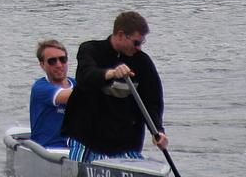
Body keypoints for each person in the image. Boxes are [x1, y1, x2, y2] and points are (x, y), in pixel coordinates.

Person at [61, 11, 168, 162]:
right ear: (121, 35)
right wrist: (111, 74)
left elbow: (152, 101)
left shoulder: (143, 62)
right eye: (136, 43)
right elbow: (85, 77)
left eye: (142, 43)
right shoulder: (90, 49)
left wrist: (158, 131)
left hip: (125, 142)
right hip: (87, 138)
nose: (139, 48)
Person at [30, 39, 74, 148]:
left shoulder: (77, 84)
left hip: (74, 148)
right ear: (42, 65)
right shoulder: (40, 88)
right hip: (48, 149)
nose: (59, 65)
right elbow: (68, 96)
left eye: (62, 59)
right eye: (52, 61)